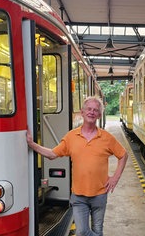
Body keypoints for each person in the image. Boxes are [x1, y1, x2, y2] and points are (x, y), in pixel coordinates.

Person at [26, 96, 128, 236]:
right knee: (82, 232)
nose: (92, 112)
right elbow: (52, 154)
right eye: (89, 109)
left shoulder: (106, 138)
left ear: (99, 114)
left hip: (99, 194)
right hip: (79, 196)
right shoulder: (71, 137)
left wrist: (115, 178)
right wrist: (32, 145)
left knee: (98, 229)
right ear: (82, 112)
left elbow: (123, 155)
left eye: (95, 110)